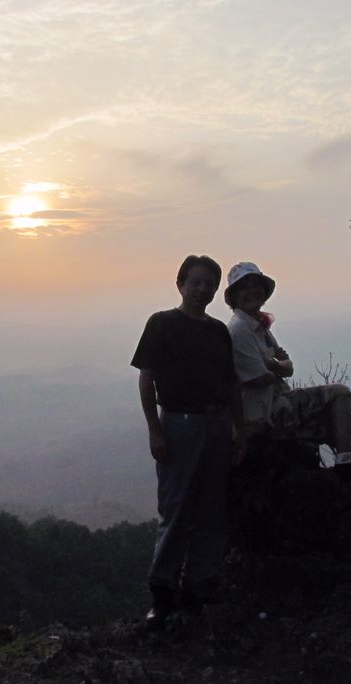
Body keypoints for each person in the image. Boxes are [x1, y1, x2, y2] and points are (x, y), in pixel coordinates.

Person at [130, 254, 247, 631]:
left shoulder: (217, 332)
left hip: (216, 423)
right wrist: (155, 430)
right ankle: (162, 593)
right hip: (178, 423)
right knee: (176, 509)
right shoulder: (162, 323)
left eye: (209, 284)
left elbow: (231, 384)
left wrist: (239, 430)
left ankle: (198, 590)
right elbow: (147, 379)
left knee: (212, 511)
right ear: (180, 284)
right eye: (195, 282)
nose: (202, 290)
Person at [224, 261, 351, 482]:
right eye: (244, 287)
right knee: (340, 394)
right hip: (264, 412)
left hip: (274, 403)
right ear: (235, 296)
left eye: (255, 285)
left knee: (336, 427)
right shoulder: (240, 330)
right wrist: (277, 366)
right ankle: (350, 469)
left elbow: (287, 367)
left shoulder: (257, 326)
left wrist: (274, 365)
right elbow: (261, 377)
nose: (251, 291)